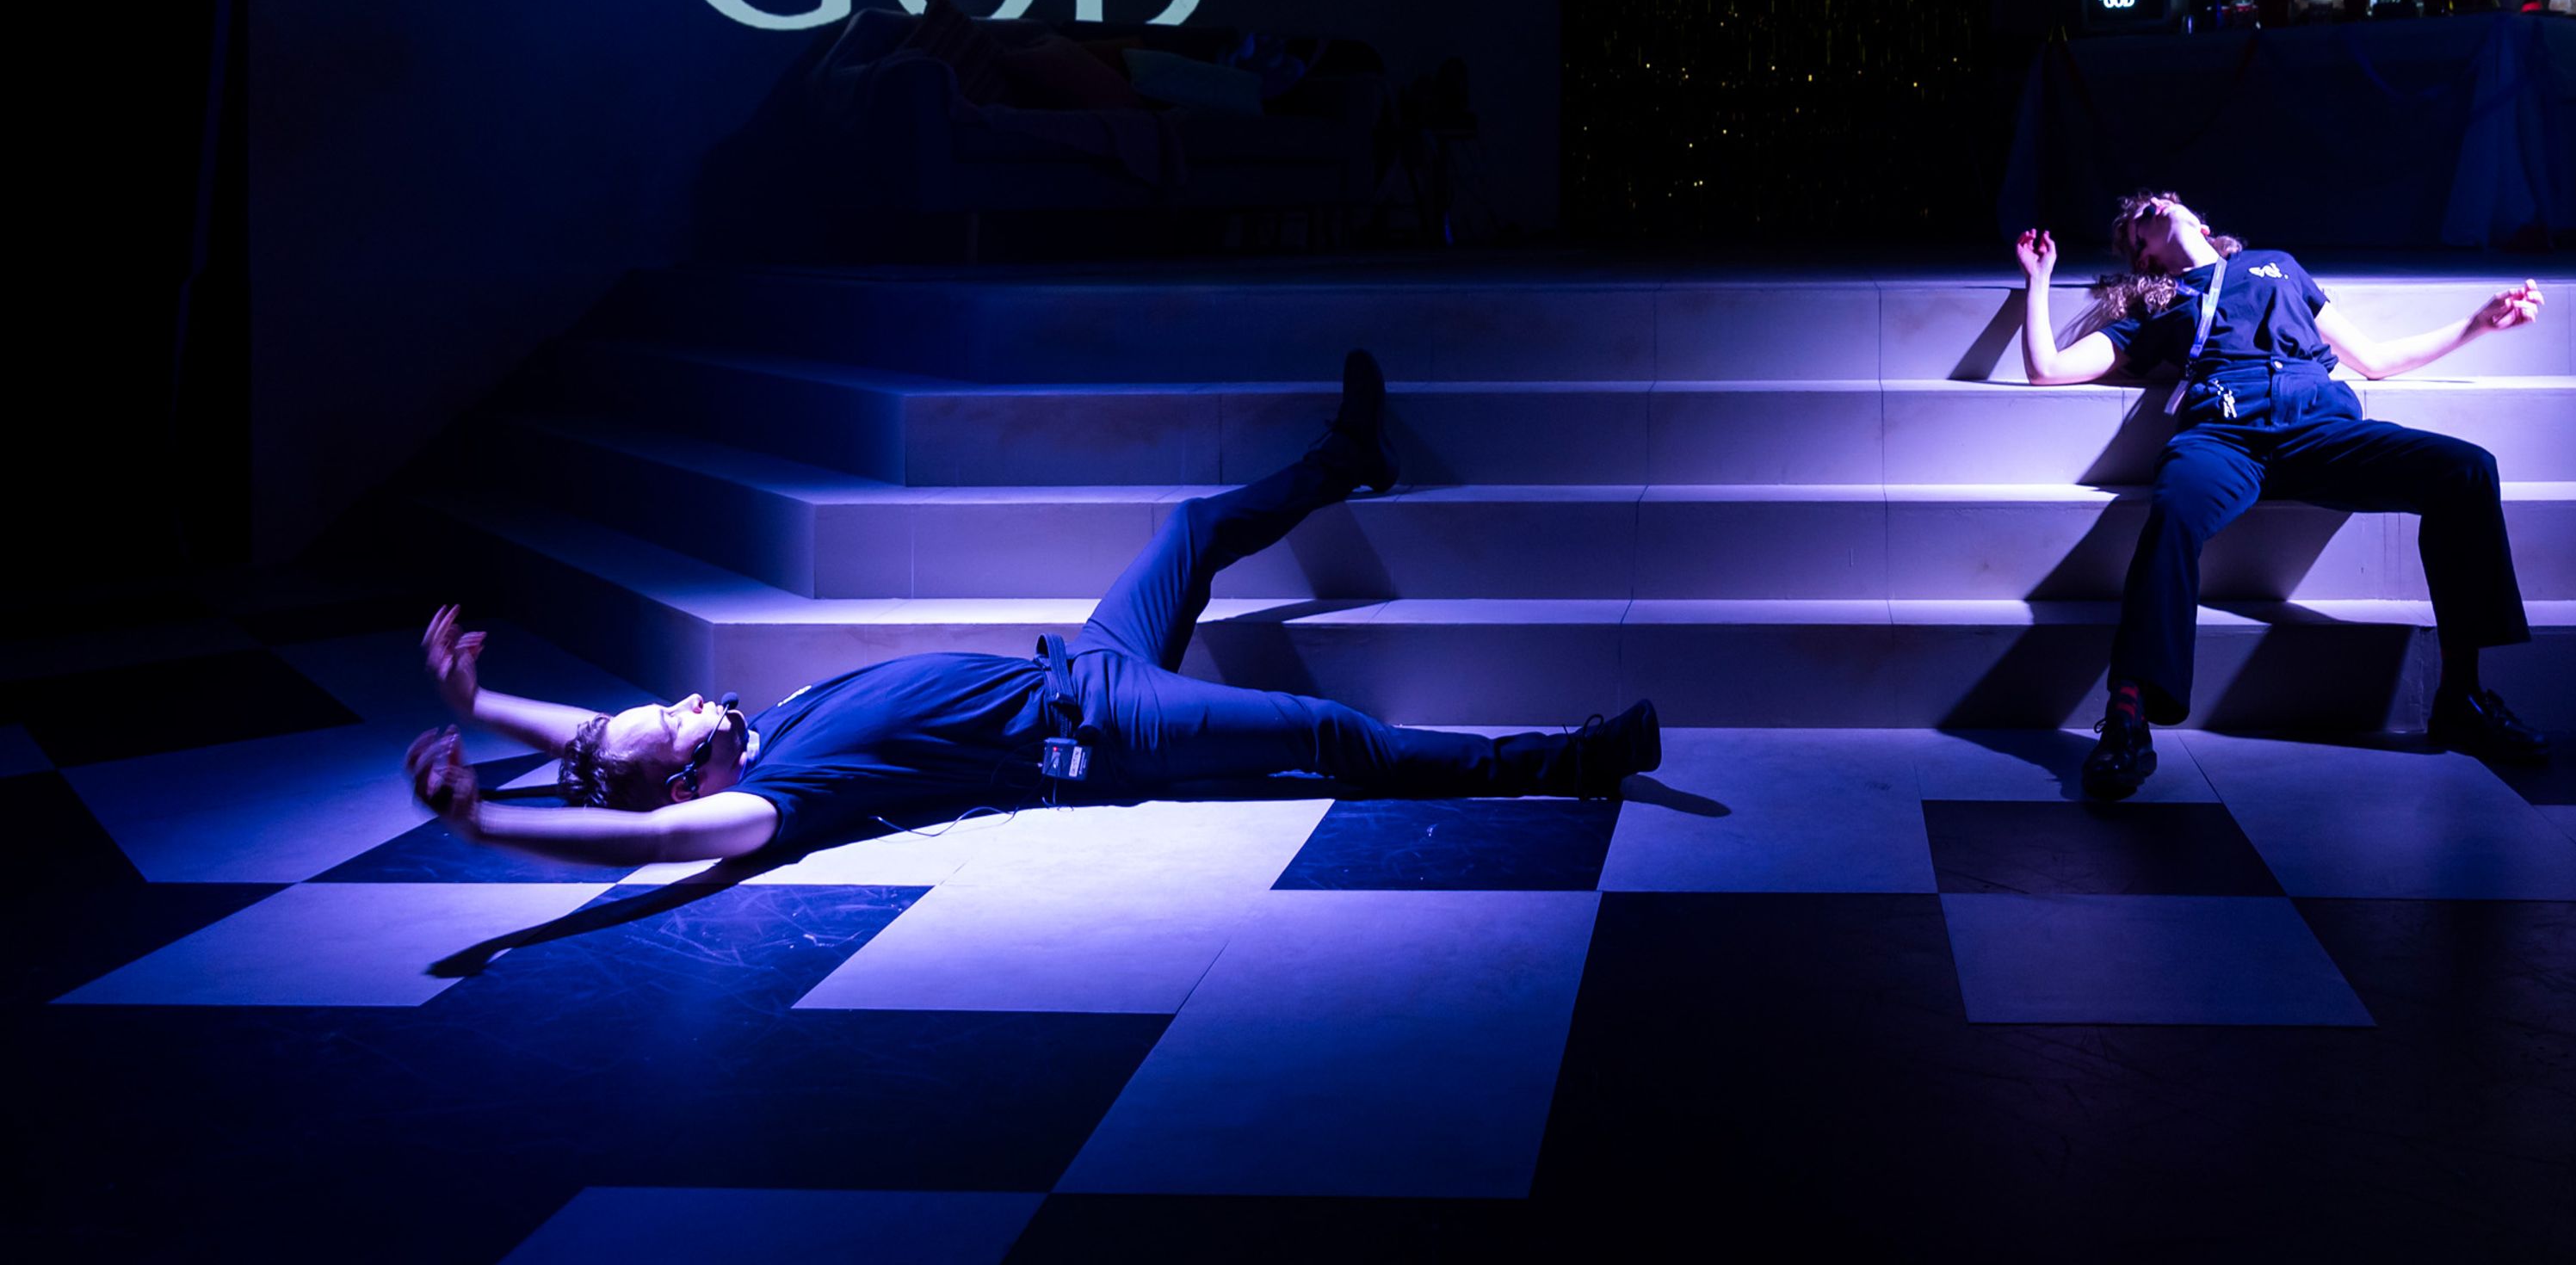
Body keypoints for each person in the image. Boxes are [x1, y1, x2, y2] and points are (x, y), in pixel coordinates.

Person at [403, 352, 1662, 867]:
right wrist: (491, 834)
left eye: (658, 708)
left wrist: (482, 707)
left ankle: (1348, 458)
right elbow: (654, 843)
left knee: (1188, 528)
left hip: (1083, 662)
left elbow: (597, 754)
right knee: (1320, 735)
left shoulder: (736, 735)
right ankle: (1572, 757)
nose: (684, 702)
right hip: (1103, 731)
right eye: (673, 728)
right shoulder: (765, 800)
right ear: (689, 783)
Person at [2013, 189, 2549, 799]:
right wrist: (2040, 280)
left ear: (2200, 218)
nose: (2156, 203)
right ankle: (2129, 715)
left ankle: (2464, 698)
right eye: (2141, 217)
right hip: (2223, 433)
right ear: (2145, 255)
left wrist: (2478, 325)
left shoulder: (2276, 266)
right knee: (2174, 513)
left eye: (2163, 199)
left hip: (2317, 426)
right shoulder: (2161, 303)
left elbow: (2371, 360)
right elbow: (2047, 369)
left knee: (2468, 471)